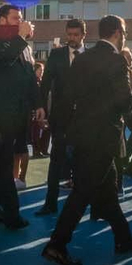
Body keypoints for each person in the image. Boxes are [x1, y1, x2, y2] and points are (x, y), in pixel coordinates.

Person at [41, 15, 132, 265]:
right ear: (118, 33)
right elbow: (126, 103)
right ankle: (57, 244)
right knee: (83, 192)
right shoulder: (117, 61)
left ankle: (123, 238)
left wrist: (66, 130)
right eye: (124, 32)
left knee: (107, 189)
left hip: (81, 134)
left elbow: (67, 97)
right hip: (104, 137)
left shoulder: (82, 59)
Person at [0, 4, 37, 229]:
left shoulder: (23, 46)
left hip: (16, 114)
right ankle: (12, 215)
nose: (20, 22)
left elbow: (29, 76)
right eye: (15, 18)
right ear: (2, 20)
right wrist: (21, 37)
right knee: (4, 165)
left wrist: (38, 104)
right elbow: (2, 57)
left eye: (21, 19)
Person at [36, 19, 85, 216]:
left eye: (76, 35)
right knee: (56, 161)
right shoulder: (56, 55)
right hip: (61, 118)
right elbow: (46, 83)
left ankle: (83, 205)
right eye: (69, 34)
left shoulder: (91, 56)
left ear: (83, 35)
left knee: (83, 162)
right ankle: (50, 204)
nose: (72, 38)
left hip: (84, 118)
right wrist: (41, 107)